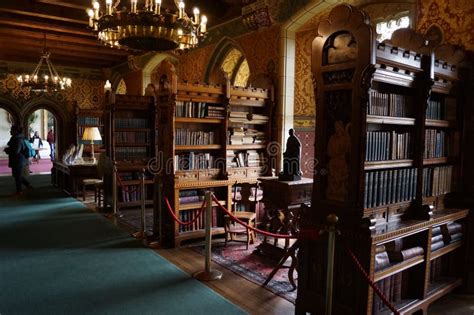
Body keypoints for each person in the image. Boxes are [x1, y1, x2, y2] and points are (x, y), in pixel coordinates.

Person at [4, 125, 32, 195]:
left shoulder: (18, 139)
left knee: (17, 176)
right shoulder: (17, 138)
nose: (10, 131)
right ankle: (27, 185)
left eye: (11, 130)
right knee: (16, 175)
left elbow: (16, 151)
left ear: (15, 131)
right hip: (18, 160)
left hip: (19, 160)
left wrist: (7, 150)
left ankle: (19, 191)